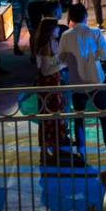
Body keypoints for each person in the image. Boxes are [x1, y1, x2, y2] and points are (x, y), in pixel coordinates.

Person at [58, 4, 106, 166]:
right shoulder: (95, 33)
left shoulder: (65, 35)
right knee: (104, 117)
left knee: (79, 119)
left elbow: (61, 59)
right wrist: (93, 56)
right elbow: (105, 55)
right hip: (96, 80)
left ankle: (82, 154)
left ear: (71, 17)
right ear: (86, 16)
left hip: (76, 82)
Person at [33, 17, 70, 164]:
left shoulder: (53, 43)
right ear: (49, 30)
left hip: (54, 84)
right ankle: (48, 151)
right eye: (55, 27)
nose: (58, 30)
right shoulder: (46, 46)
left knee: (54, 118)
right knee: (49, 118)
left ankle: (54, 150)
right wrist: (63, 64)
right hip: (48, 86)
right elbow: (46, 70)